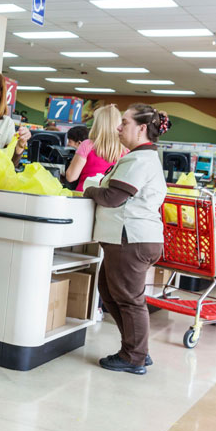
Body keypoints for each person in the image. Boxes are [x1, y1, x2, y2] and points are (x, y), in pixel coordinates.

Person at [83, 104, 170, 375]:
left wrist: (89, 187)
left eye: (125, 123)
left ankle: (134, 356)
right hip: (130, 239)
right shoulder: (139, 157)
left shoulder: (139, 159)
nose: (119, 128)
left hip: (131, 239)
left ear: (142, 129)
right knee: (110, 292)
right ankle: (136, 349)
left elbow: (113, 197)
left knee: (129, 299)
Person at [65, 105, 127, 189]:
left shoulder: (87, 145)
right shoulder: (126, 149)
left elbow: (71, 177)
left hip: (85, 195)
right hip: (110, 197)